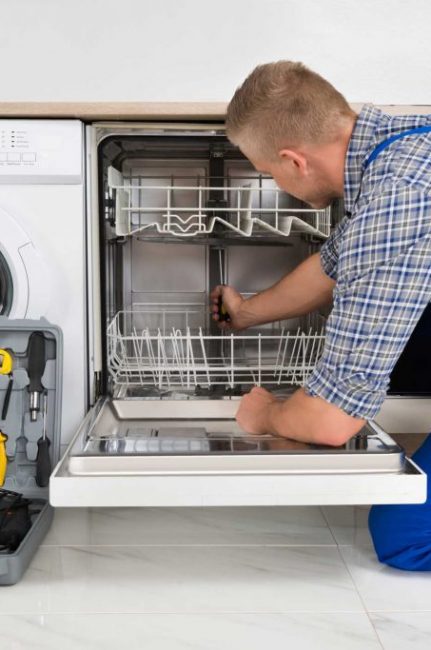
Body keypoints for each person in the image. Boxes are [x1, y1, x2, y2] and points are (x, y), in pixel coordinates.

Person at [210, 61, 431, 571]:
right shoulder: (395, 148)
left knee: (405, 534)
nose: (277, 183)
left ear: (293, 161)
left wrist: (264, 414)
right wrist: (246, 314)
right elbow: (333, 266)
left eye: (269, 173)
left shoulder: (397, 199)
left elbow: (331, 424)